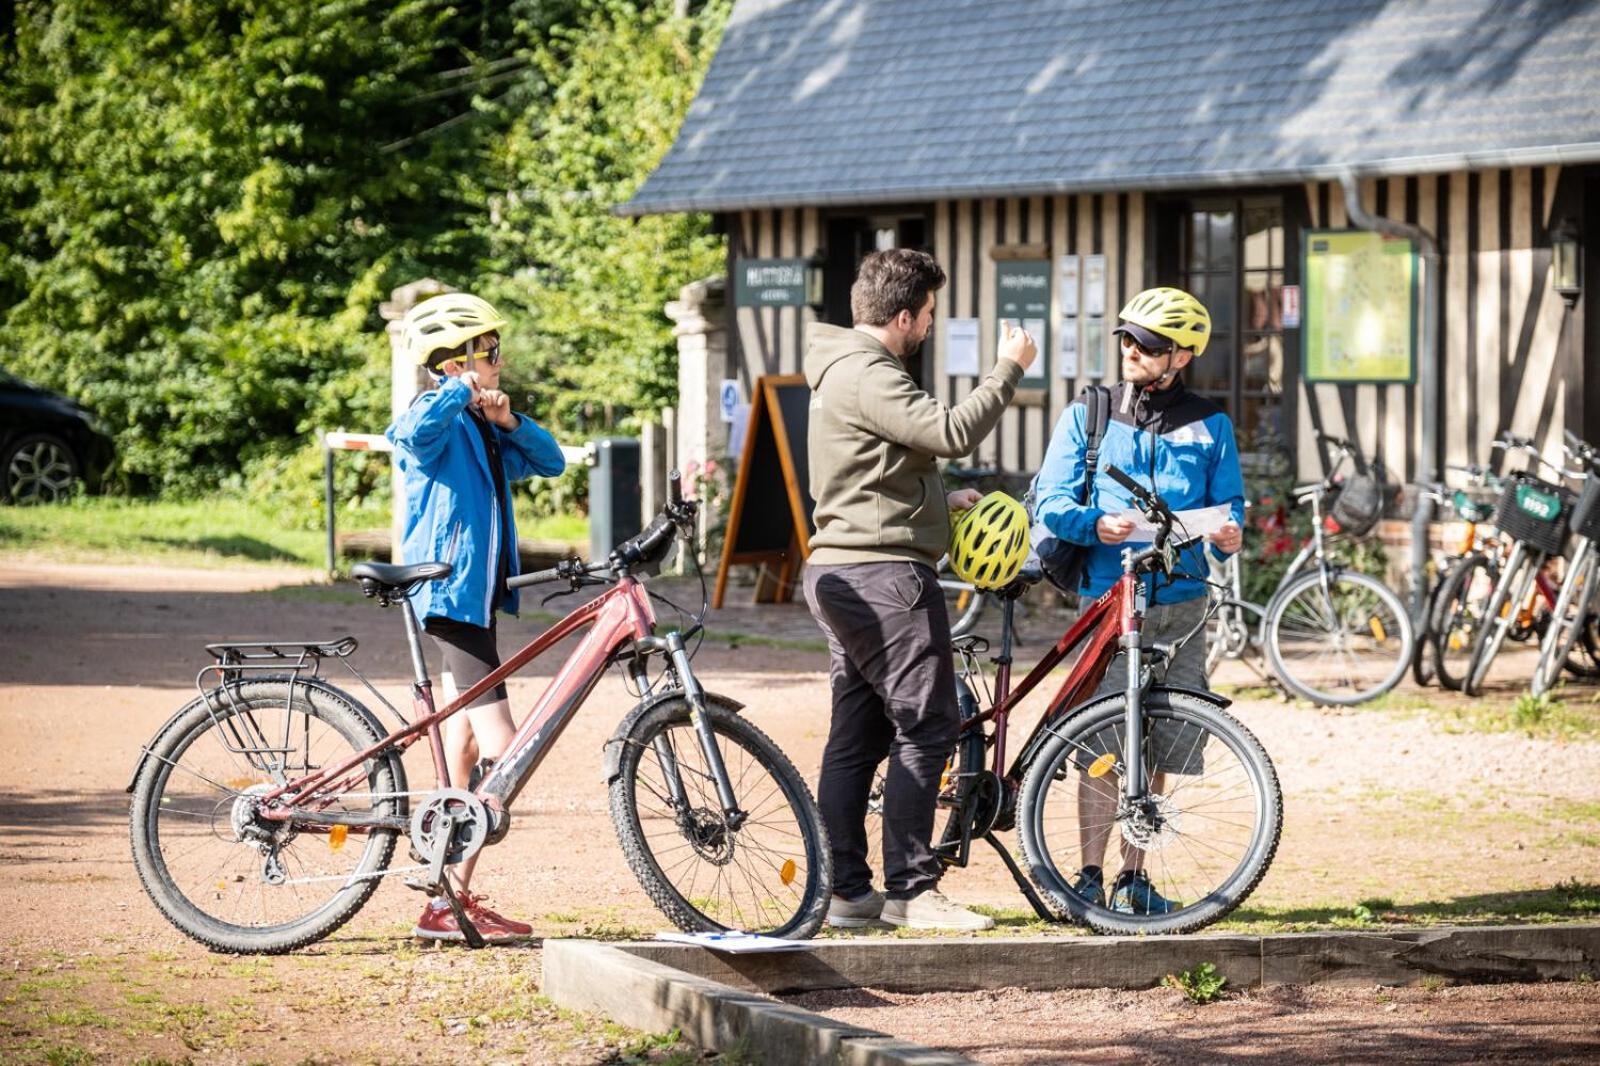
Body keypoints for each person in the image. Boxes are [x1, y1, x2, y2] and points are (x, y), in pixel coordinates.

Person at [803, 248, 1037, 931]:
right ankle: (910, 889)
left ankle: (846, 890)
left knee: (858, 734)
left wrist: (938, 498)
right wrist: (1008, 369)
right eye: (929, 313)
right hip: (882, 577)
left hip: (844, 571)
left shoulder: (843, 370)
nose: (931, 325)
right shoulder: (868, 374)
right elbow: (951, 430)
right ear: (903, 316)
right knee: (928, 723)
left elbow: (874, 470)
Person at [1030, 286, 1245, 915]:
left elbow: (1229, 507)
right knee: (1102, 743)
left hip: (1180, 600)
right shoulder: (1089, 413)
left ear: (1181, 356)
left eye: (1146, 345)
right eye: (1126, 338)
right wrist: (1095, 524)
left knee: (1159, 740)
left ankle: (1134, 876)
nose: (1131, 351)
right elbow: (1051, 502)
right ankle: (1089, 874)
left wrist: (1230, 535)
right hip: (1110, 598)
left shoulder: (1213, 424)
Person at [387, 291, 567, 942]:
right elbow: (407, 436)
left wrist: (509, 422)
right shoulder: (434, 414)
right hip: (448, 600)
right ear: (457, 360)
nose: (499, 361)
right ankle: (440, 884)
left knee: (464, 748)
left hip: (474, 602)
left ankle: (447, 899)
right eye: (489, 352)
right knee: (506, 753)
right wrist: (458, 391)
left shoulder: (481, 423)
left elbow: (550, 461)